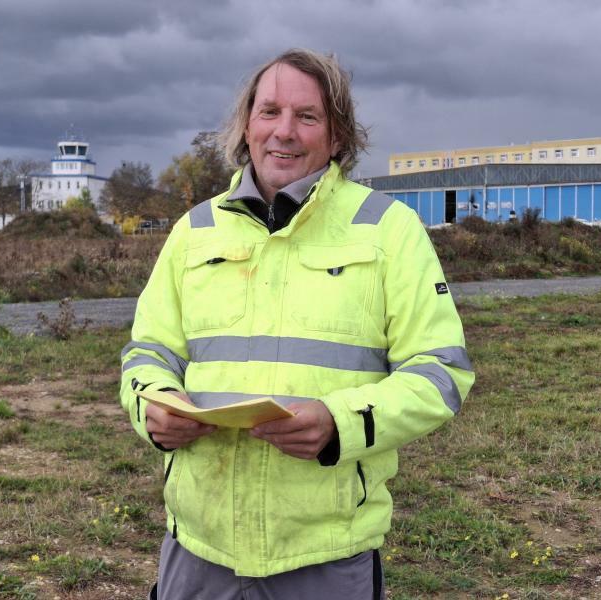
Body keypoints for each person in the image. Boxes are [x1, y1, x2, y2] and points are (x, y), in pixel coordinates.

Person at [120, 48, 474, 600]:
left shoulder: (389, 230)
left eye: (306, 116)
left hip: (326, 555)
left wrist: (340, 422)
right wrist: (154, 406)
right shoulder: (194, 232)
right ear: (246, 125)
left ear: (337, 137)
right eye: (269, 112)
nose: (283, 132)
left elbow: (441, 372)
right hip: (197, 548)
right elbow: (148, 353)